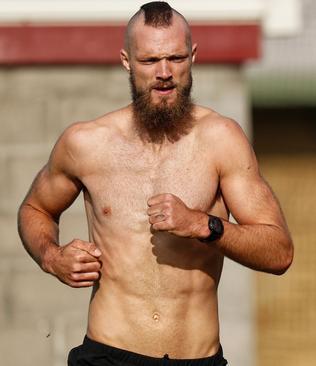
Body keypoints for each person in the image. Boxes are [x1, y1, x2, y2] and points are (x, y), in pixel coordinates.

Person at [17, 2, 293, 365]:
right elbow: (34, 208)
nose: (164, 72)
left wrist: (202, 224)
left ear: (193, 56)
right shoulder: (86, 143)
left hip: (196, 357)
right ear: (126, 61)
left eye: (176, 58)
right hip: (107, 355)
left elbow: (279, 252)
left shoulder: (221, 140)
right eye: (149, 61)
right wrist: (52, 258)